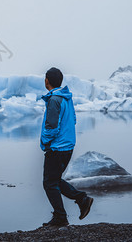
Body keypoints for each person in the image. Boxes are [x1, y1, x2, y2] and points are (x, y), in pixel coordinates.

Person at [40, 67, 93, 227]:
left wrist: (46, 142)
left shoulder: (54, 100)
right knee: (54, 180)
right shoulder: (66, 98)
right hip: (67, 146)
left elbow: (51, 126)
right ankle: (80, 200)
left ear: (47, 80)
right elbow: (74, 119)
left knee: (49, 183)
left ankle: (61, 216)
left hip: (57, 147)